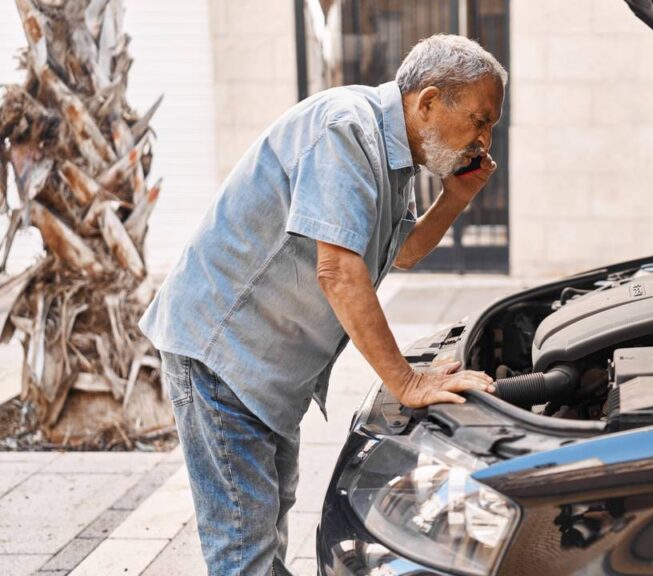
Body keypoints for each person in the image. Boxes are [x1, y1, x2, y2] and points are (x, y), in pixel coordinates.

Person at [138, 34, 507, 575]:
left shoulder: (392, 150)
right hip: (223, 356)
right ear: (428, 101)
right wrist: (408, 381)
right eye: (480, 119)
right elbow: (339, 271)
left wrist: (454, 199)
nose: (485, 139)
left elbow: (397, 252)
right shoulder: (347, 128)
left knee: (262, 534)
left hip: (262, 367)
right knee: (245, 552)